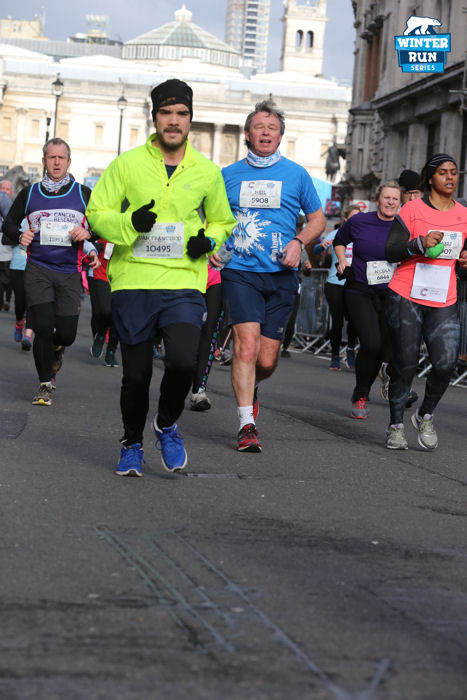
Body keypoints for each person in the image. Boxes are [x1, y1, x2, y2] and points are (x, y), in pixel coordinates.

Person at [86, 79, 236, 476]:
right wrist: (129, 221)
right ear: (154, 118)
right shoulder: (127, 164)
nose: (174, 121)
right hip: (133, 279)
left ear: (191, 119)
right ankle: (131, 442)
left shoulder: (206, 171)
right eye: (166, 113)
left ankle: (167, 424)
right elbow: (97, 213)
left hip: (184, 280)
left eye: (182, 114)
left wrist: (208, 241)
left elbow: (223, 219)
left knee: (185, 363)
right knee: (136, 376)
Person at [212, 99, 326, 452]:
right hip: (240, 272)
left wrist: (299, 242)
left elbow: (318, 219)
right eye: (259, 127)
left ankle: (252, 385)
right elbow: (211, 219)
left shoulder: (296, 174)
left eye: (272, 128)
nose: (265, 133)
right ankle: (247, 424)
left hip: (281, 275)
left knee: (266, 359)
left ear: (280, 136)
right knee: (245, 347)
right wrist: (213, 244)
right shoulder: (228, 175)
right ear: (247, 134)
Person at [2, 138, 98, 405]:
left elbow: (102, 226)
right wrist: (21, 235)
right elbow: (8, 225)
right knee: (43, 326)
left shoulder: (82, 193)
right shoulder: (30, 193)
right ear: (44, 161)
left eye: (61, 158)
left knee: (65, 334)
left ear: (68, 162)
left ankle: (57, 350)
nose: (56, 162)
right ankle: (45, 384)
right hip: (39, 269)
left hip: (69, 271)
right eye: (51, 157)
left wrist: (88, 232)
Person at [384, 154, 467, 450]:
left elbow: (462, 261)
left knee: (445, 364)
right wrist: (419, 244)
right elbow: (391, 250)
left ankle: (425, 414)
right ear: (430, 178)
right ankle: (395, 425)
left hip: (444, 298)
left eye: (454, 173)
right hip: (406, 294)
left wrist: (464, 264)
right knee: (406, 364)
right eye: (443, 172)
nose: (450, 177)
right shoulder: (412, 209)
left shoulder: (464, 215)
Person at [333, 181, 401, 418]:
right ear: (378, 199)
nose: (391, 202)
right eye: (387, 197)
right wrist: (343, 261)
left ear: (399, 202)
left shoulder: (404, 226)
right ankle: (361, 394)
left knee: (383, 348)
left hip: (391, 293)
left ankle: (372, 384)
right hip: (360, 289)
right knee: (371, 342)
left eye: (395, 198)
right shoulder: (360, 221)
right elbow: (339, 240)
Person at [315, 204, 360, 370]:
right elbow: (316, 248)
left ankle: (350, 349)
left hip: (355, 283)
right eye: (353, 217)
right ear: (345, 219)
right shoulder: (335, 234)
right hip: (335, 283)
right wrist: (322, 246)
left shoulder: (362, 235)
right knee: (338, 321)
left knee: (355, 320)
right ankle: (335, 355)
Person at [87, 237, 120, 368]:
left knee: (118, 315)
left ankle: (111, 352)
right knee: (105, 311)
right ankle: (101, 334)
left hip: (122, 276)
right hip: (101, 273)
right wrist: (93, 244)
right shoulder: (104, 223)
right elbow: (86, 238)